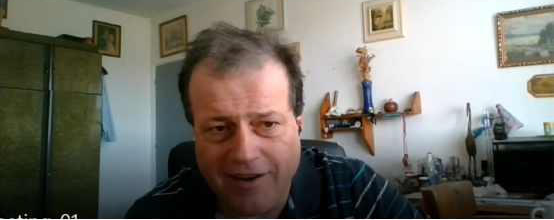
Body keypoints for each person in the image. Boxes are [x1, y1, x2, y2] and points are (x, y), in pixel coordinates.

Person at [125, 24, 425, 219]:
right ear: (195, 132)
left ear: (297, 122)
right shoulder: (152, 213)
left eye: (268, 124)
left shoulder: (355, 189)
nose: (244, 154)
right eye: (218, 128)